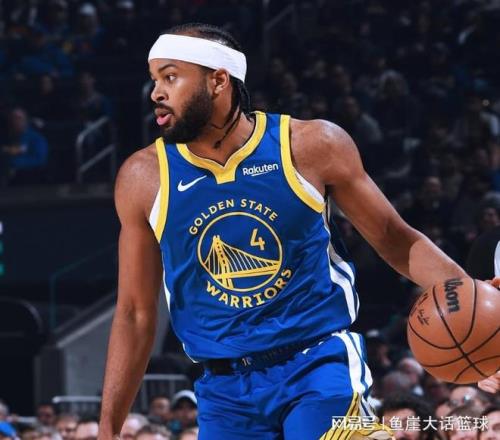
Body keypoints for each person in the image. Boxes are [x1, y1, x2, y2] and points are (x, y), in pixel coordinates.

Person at [98, 23, 500, 440]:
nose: (156, 93)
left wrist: (480, 306)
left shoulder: (309, 145)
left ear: (218, 80)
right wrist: (108, 427)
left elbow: (396, 240)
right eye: (154, 80)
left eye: (170, 77)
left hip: (317, 365)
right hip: (222, 389)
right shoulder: (144, 178)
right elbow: (135, 313)